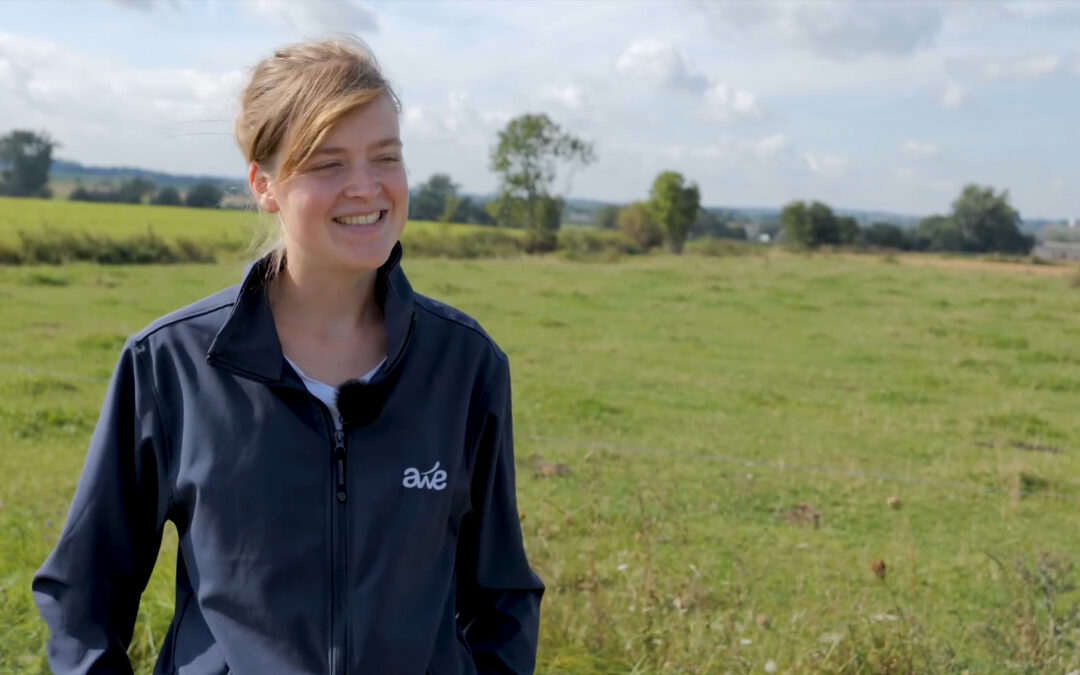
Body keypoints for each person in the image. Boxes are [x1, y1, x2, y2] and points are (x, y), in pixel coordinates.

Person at [32, 37, 543, 675]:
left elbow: (502, 596)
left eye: (385, 156)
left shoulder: (465, 366)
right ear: (265, 185)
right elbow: (83, 598)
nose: (366, 187)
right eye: (327, 164)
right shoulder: (172, 364)